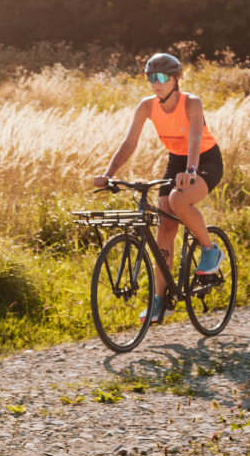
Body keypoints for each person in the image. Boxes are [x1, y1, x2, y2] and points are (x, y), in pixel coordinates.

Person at [91, 52, 225, 326]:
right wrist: (108, 173)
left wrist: (190, 171)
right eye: (151, 78)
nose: (156, 83)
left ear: (177, 80)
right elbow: (130, 143)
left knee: (178, 201)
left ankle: (210, 250)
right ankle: (161, 300)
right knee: (165, 226)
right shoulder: (147, 106)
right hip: (176, 160)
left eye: (162, 77)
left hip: (204, 159)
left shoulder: (192, 103)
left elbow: (196, 138)